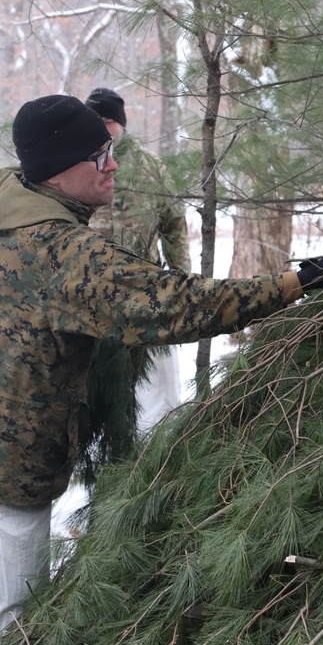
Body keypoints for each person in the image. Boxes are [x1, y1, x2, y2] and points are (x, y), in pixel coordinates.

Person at [0, 94, 323, 644]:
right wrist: (299, 282)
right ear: (58, 168)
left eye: (110, 150)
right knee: (6, 622)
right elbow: (178, 303)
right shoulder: (57, 251)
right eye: (98, 157)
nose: (113, 165)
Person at [85, 87, 187, 434]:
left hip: (146, 293)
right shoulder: (78, 166)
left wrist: (182, 278)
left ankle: (157, 440)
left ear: (122, 125)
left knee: (155, 385)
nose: (102, 127)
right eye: (95, 120)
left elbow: (174, 225)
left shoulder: (150, 167)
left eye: (109, 121)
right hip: (93, 295)